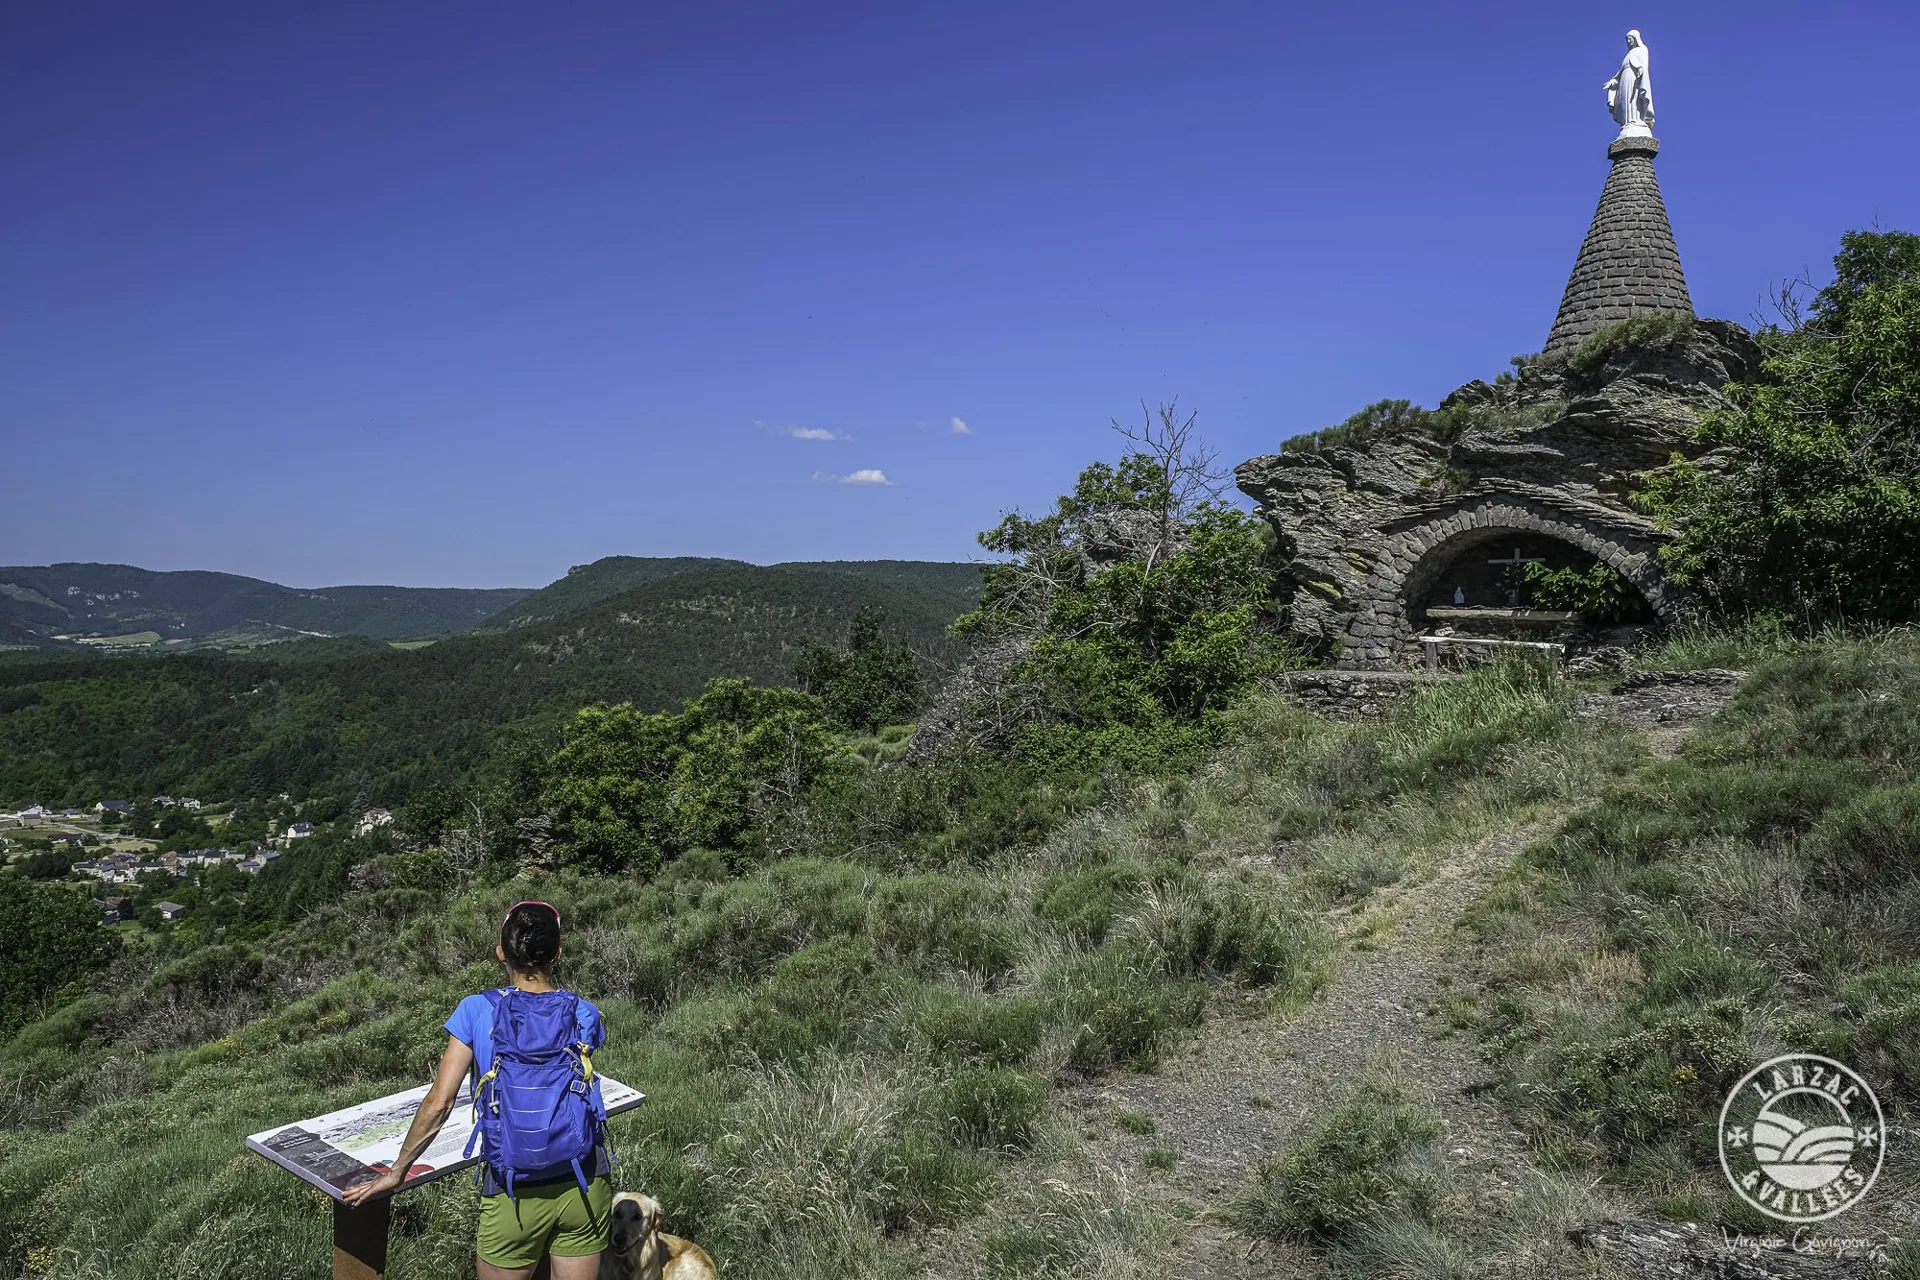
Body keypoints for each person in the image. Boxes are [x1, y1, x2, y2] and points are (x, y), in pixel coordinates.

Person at [342, 901, 611, 1279]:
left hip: (512, 1189)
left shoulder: (475, 1010)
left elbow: (440, 1102)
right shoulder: (584, 1012)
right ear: (557, 953)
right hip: (584, 1179)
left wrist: (397, 1172)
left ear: (501, 951)